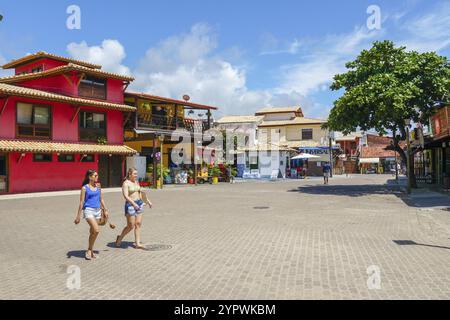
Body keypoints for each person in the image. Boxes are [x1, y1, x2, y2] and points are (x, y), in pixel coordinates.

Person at [74, 170, 109, 260]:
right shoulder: (84, 188)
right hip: (88, 210)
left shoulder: (98, 186)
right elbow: (81, 202)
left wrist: (105, 210)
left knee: (92, 232)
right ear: (90, 177)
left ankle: (90, 250)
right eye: (95, 176)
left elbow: (101, 199)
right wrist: (78, 216)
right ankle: (89, 250)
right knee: (96, 230)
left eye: (97, 175)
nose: (97, 177)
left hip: (98, 211)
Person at [115, 168, 152, 250]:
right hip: (130, 205)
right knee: (130, 225)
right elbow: (126, 196)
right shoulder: (126, 183)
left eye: (136, 174)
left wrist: (148, 201)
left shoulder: (136, 182)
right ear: (129, 174)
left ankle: (137, 243)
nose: (136, 175)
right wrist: (133, 204)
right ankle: (120, 237)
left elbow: (140, 192)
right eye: (134, 174)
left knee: (138, 224)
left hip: (139, 203)